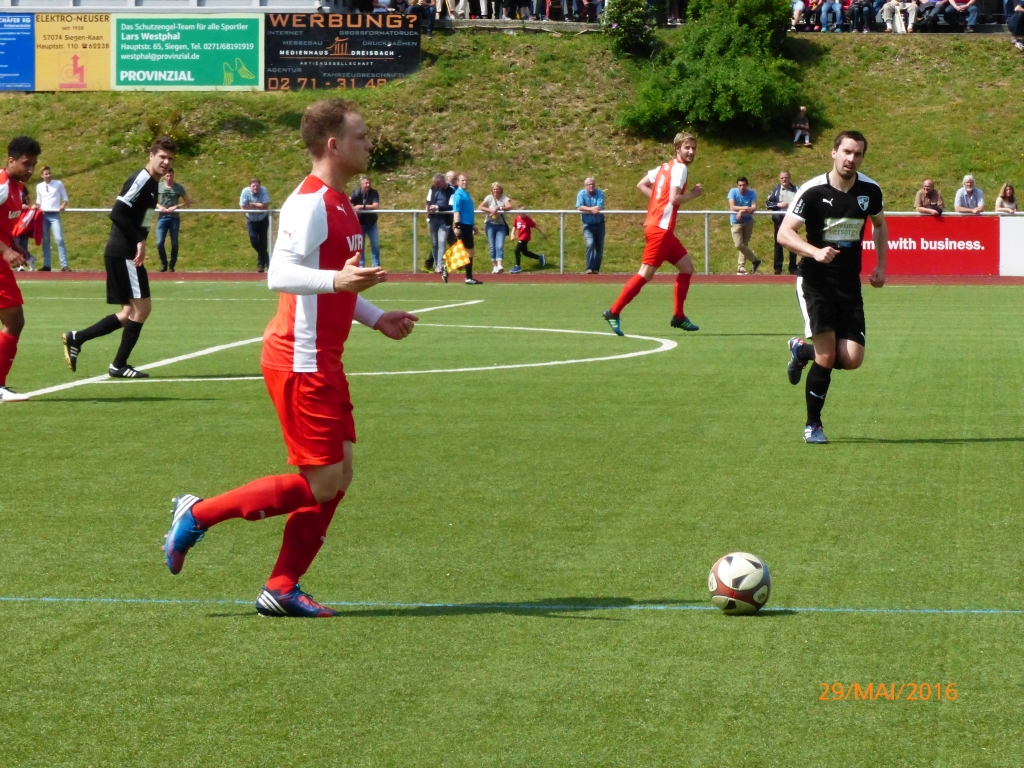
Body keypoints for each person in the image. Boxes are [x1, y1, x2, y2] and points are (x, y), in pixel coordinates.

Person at [161, 102, 419, 619]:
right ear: (334, 145)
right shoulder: (309, 203)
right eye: (362, 136)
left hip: (325, 359)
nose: (370, 143)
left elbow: (331, 283)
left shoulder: (341, 202)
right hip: (300, 360)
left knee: (339, 476)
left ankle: (281, 587)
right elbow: (279, 274)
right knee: (322, 483)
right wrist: (339, 281)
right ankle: (199, 514)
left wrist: (374, 316)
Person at [777, 130, 887, 444]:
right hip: (815, 281)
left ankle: (801, 350)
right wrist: (813, 251)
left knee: (851, 358)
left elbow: (880, 224)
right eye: (847, 152)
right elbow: (785, 233)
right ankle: (813, 425)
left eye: (858, 154)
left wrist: (881, 265)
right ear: (834, 153)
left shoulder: (870, 190)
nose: (851, 159)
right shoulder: (812, 190)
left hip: (848, 284)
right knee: (826, 356)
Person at [62, 137, 175, 379]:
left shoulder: (153, 183)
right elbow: (117, 213)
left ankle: (77, 338)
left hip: (123, 252)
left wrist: (140, 238)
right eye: (162, 157)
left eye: (170, 158)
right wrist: (139, 240)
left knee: (128, 312)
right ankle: (119, 365)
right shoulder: (141, 180)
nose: (166, 162)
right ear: (151, 155)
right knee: (142, 309)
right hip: (123, 252)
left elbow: (141, 217)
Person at [602, 132, 704, 336]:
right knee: (645, 274)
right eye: (687, 147)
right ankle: (614, 311)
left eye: (693, 148)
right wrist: (693, 194)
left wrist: (658, 202)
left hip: (660, 228)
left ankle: (679, 316)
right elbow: (674, 199)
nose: (691, 151)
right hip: (660, 230)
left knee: (687, 268)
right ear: (677, 149)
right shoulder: (680, 168)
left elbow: (641, 184)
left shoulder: (664, 167)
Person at [0, 136, 41, 403]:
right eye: (26, 163)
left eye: (34, 164)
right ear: (11, 160)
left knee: (13, 320)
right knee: (14, 320)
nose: (31, 169)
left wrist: (14, 245)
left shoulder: (16, 188)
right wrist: (5, 251)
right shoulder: (2, 185)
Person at [444, 173, 482, 285]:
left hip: (468, 225)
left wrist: (472, 225)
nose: (465, 182)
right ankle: (467, 277)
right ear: (458, 182)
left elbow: (467, 212)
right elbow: (456, 211)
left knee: (466, 251)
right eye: (462, 180)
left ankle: (446, 267)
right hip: (463, 225)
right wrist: (457, 226)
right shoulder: (458, 195)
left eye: (466, 180)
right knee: (466, 251)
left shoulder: (466, 194)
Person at [155, 168, 190, 273]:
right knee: (159, 243)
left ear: (173, 176)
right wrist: (159, 206)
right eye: (167, 176)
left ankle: (172, 265)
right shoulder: (159, 186)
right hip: (162, 218)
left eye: (171, 176)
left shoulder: (178, 187)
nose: (169, 178)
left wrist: (176, 206)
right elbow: (152, 199)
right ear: (164, 176)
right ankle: (164, 263)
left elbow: (187, 201)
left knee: (174, 243)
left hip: (174, 218)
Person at [35, 166, 70, 272]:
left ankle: (64, 265)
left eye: (49, 173)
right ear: (42, 176)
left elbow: (65, 198)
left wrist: (63, 205)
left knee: (59, 239)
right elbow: (39, 201)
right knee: (46, 240)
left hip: (54, 215)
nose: (48, 175)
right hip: (43, 215)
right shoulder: (39, 186)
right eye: (46, 174)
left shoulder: (58, 184)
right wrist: (35, 207)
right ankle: (47, 265)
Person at [767, 170, 799, 275]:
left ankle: (793, 268)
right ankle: (778, 268)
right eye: (782, 178)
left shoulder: (796, 190)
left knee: (793, 243)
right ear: (779, 179)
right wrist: (778, 204)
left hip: (792, 221)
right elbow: (768, 204)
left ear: (790, 178)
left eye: (786, 177)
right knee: (778, 244)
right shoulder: (776, 190)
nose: (784, 180)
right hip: (779, 221)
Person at [728, 177, 761, 275]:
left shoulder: (752, 193)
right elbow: (732, 207)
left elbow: (754, 207)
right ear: (737, 185)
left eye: (744, 185)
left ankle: (741, 267)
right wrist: (746, 208)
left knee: (744, 245)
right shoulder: (733, 192)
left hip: (748, 221)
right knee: (739, 244)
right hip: (736, 221)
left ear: (747, 185)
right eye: (740, 185)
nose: (742, 187)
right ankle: (755, 260)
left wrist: (741, 211)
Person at [479, 182, 512, 274]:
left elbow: (509, 206)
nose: (495, 191)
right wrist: (491, 210)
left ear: (500, 190)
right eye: (494, 189)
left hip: (501, 225)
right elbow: (480, 207)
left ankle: (499, 264)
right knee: (492, 246)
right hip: (490, 224)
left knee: (500, 245)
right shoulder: (489, 198)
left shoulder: (504, 198)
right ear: (492, 190)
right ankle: (495, 266)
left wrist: (499, 208)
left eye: (497, 189)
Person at [425, 173, 455, 273]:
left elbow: (451, 206)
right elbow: (428, 200)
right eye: (435, 183)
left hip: (444, 221)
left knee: (442, 242)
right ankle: (437, 264)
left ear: (443, 181)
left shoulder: (451, 190)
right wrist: (428, 206)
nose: (436, 185)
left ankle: (440, 265)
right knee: (434, 243)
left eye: (438, 183)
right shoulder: (433, 188)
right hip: (433, 219)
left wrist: (437, 207)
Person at [240, 177, 271, 272]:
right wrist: (259, 205)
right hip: (251, 220)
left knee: (263, 242)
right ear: (250, 186)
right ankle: (268, 259)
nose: (255, 188)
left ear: (260, 186)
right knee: (254, 241)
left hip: (263, 219)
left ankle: (261, 265)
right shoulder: (245, 192)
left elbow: (265, 206)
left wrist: (252, 205)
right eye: (253, 186)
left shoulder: (263, 190)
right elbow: (243, 206)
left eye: (257, 186)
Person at [576, 177, 606, 274]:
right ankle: (589, 267)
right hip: (588, 225)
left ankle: (596, 269)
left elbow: (600, 206)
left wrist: (588, 208)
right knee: (590, 243)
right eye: (589, 184)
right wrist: (592, 209)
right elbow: (579, 206)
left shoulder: (600, 193)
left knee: (599, 248)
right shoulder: (581, 194)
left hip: (600, 224)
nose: (591, 186)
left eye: (592, 184)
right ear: (585, 186)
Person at [350, 175, 381, 268]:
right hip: (360, 224)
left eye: (369, 183)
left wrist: (362, 207)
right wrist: (354, 209)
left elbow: (375, 206)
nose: (368, 185)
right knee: (360, 247)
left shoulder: (374, 193)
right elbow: (347, 202)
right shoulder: (356, 193)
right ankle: (361, 266)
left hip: (372, 223)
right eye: (366, 183)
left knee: (375, 245)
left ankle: (376, 266)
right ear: (361, 184)